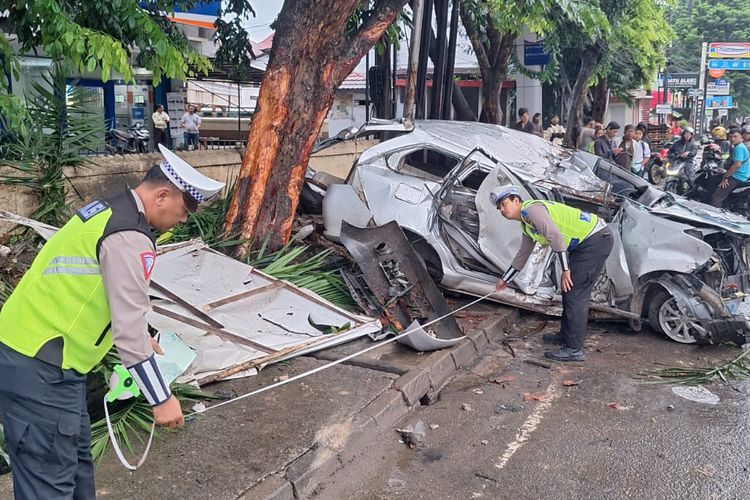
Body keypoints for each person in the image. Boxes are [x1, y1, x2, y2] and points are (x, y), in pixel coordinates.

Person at [0, 145, 225, 498]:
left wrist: (144, 335)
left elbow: (101, 294)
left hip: (50, 362)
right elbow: (128, 330)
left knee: (75, 475)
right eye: (185, 209)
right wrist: (161, 399)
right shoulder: (128, 236)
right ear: (162, 195)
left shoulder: (110, 209)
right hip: (39, 369)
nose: (184, 220)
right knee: (49, 485)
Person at [491, 186, 613, 362]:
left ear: (516, 201)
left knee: (575, 292)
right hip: (589, 241)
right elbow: (523, 253)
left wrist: (565, 270)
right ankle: (566, 335)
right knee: (569, 291)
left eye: (504, 204)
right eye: (499, 208)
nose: (502, 210)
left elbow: (555, 236)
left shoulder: (530, 210)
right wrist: (505, 279)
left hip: (595, 239)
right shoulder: (526, 223)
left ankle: (574, 349)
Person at [711, 129, 750, 208]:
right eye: (731, 137)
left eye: (735, 137)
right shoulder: (741, 146)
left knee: (716, 197)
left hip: (737, 176)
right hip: (744, 175)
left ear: (741, 137)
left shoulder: (739, 148)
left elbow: (737, 165)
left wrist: (725, 177)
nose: (732, 139)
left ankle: (714, 216)